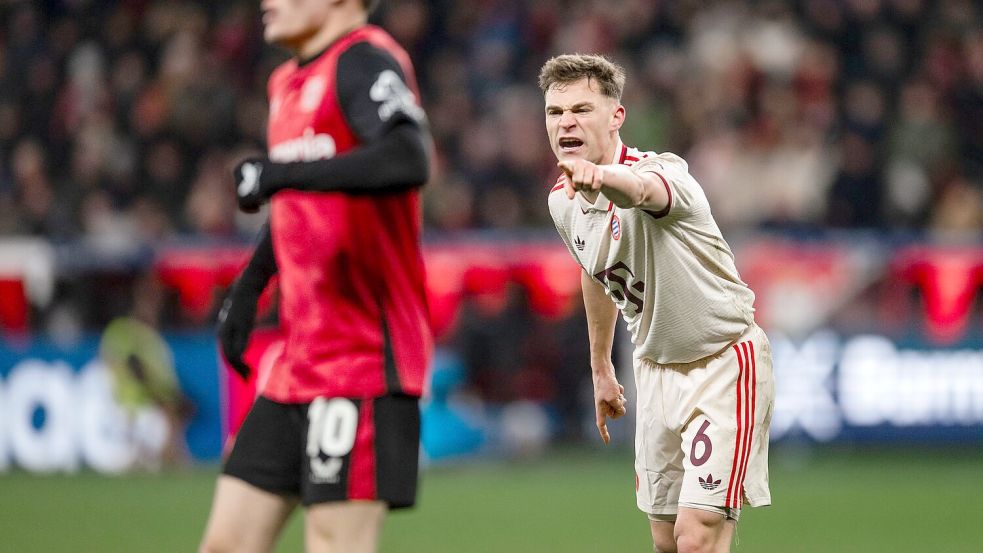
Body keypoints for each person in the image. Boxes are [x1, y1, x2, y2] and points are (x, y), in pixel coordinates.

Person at [199, 1, 432, 552]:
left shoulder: (364, 62)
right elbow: (298, 207)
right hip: (297, 359)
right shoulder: (286, 81)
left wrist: (281, 172)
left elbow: (408, 155)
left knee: (334, 545)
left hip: (363, 360)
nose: (267, 2)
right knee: (226, 545)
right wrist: (247, 290)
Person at [540, 54, 774, 553]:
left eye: (581, 109)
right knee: (666, 542)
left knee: (697, 538)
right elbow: (595, 269)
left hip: (723, 364)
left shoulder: (664, 172)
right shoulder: (563, 201)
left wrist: (602, 179)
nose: (566, 123)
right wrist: (600, 363)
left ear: (616, 116)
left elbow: (643, 190)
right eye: (555, 112)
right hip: (654, 372)